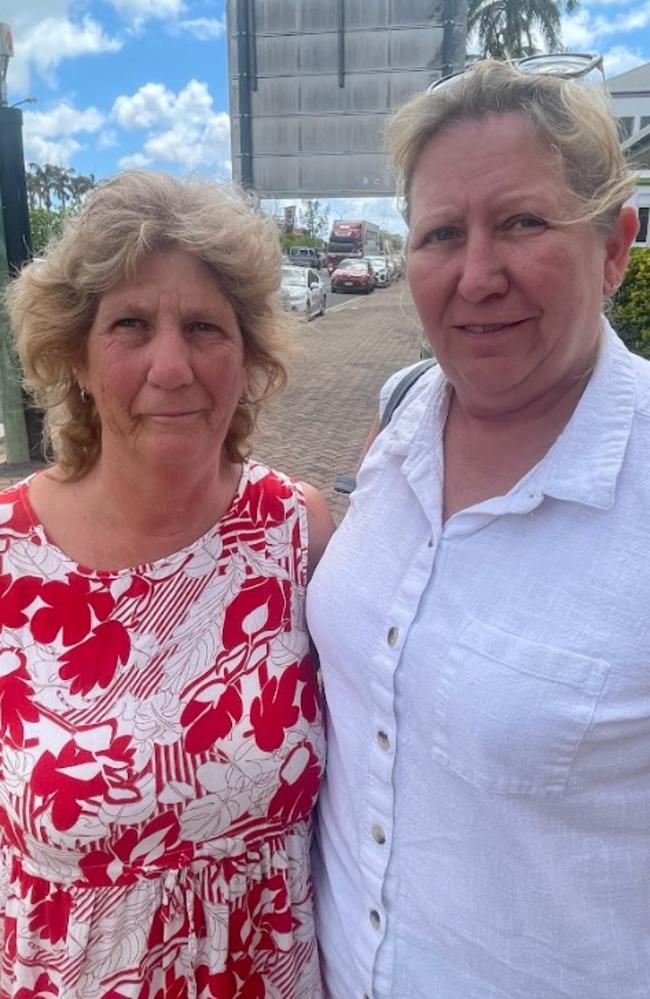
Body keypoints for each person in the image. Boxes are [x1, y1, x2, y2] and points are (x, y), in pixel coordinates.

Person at [307, 56, 650, 999]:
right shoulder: (402, 414)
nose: (477, 274)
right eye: (442, 233)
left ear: (615, 245)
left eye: (524, 223)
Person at [0, 170, 333, 998]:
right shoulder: (8, 556)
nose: (172, 365)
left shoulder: (299, 534)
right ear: (76, 355)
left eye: (205, 327)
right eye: (131, 325)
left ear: (248, 356)